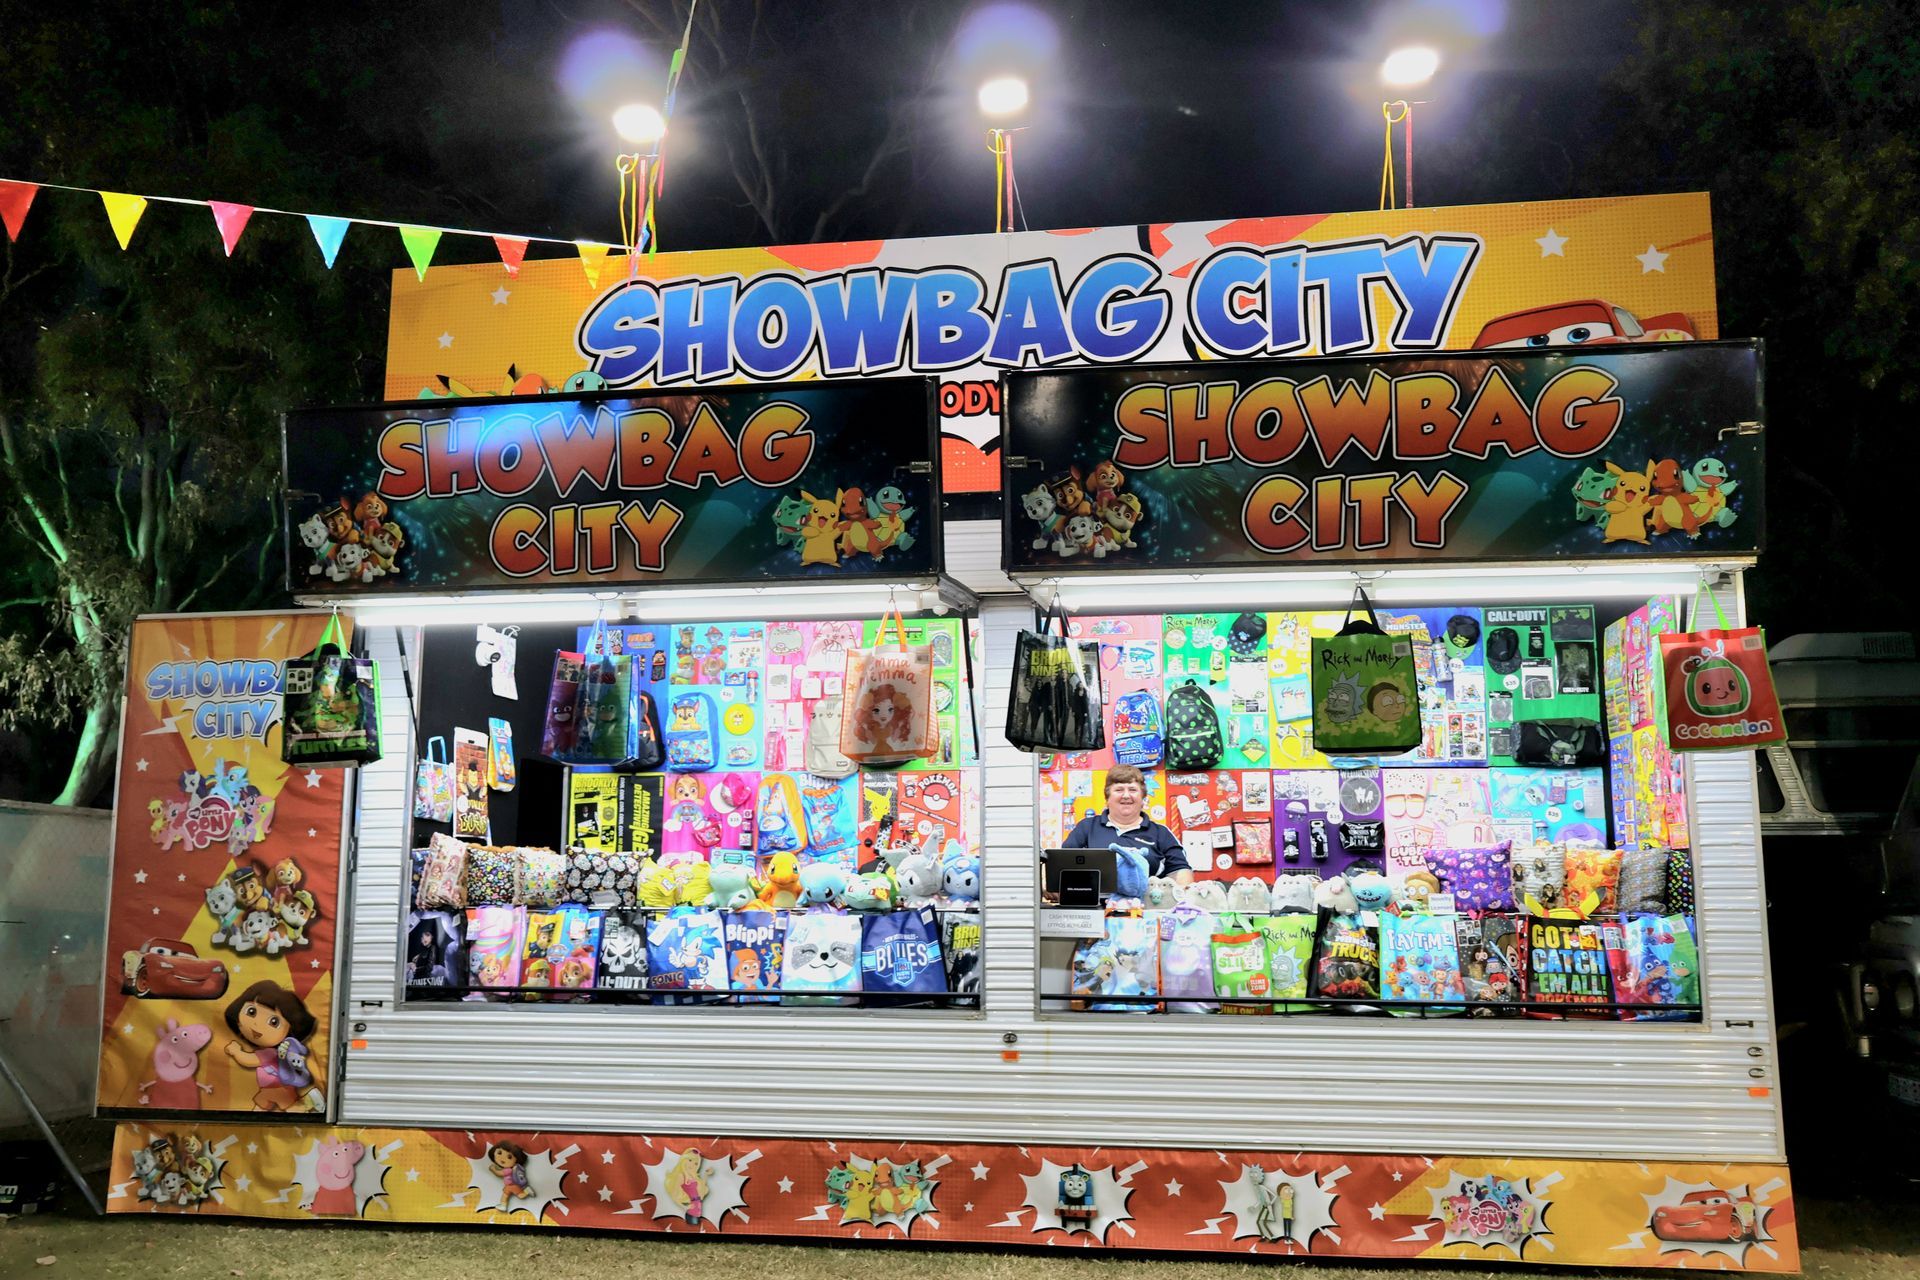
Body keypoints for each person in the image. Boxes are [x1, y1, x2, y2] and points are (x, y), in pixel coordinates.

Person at [1061, 765, 1193, 884]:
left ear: (1143, 798)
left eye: (1132, 789)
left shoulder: (1161, 833)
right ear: (1107, 798)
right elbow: (1061, 863)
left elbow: (1181, 871)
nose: (1126, 795)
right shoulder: (1087, 827)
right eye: (1119, 790)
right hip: (1094, 907)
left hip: (1146, 907)